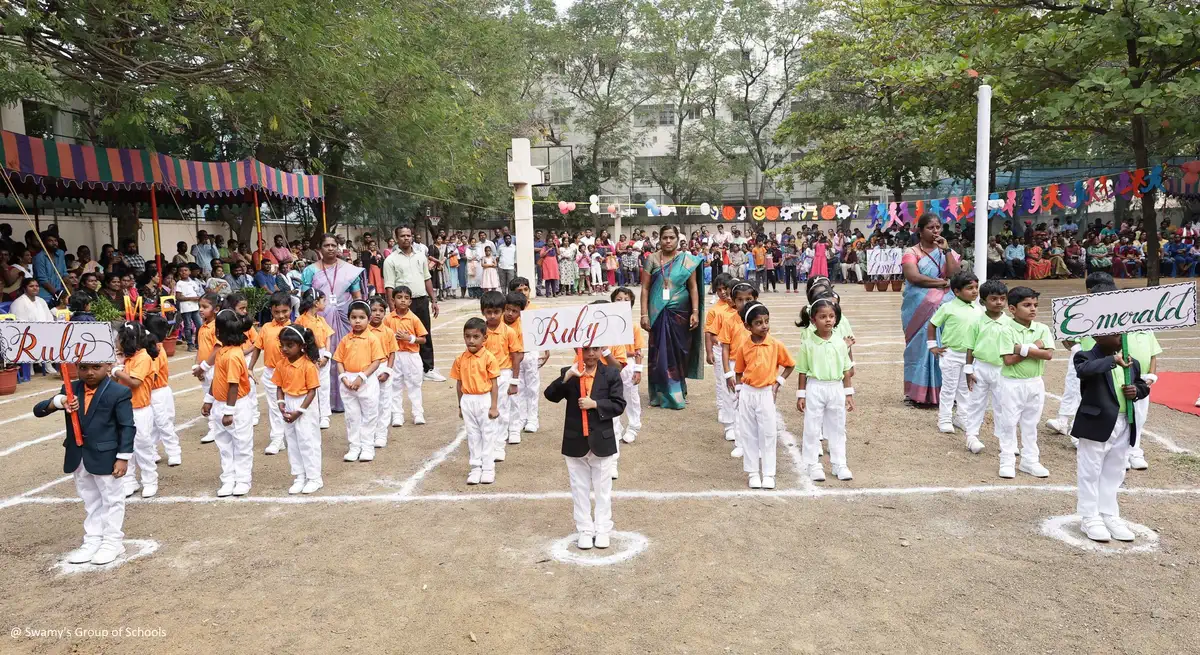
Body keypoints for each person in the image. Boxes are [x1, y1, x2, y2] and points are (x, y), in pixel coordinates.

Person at [34, 361, 135, 565]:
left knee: (112, 499)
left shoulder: (119, 392)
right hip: (79, 455)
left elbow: (127, 426)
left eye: (96, 367)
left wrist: (123, 457)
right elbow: (39, 410)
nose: (89, 372)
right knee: (90, 500)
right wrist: (60, 401)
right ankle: (93, 540)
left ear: (108, 367)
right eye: (83, 367)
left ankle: (113, 541)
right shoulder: (70, 389)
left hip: (107, 456)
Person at [545, 345, 625, 550]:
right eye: (586, 349)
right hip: (575, 439)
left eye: (595, 349)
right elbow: (550, 395)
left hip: (602, 440)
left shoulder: (611, 373)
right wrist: (566, 377)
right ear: (577, 349)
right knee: (579, 488)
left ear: (601, 351)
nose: (590, 354)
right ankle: (584, 529)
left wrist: (595, 404)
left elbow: (618, 404)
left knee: (602, 489)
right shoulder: (569, 372)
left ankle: (602, 529)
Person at [1072, 333, 1149, 543]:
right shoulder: (1084, 356)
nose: (1121, 339)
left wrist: (1137, 391)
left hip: (1125, 422)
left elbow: (1142, 385)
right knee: (1090, 470)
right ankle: (1089, 516)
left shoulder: (1132, 361)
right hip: (1097, 423)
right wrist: (1112, 361)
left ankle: (1108, 514)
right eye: (1116, 335)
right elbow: (1084, 371)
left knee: (1115, 471)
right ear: (1099, 337)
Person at [639, 225, 705, 410]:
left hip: (681, 316)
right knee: (659, 353)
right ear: (659, 240)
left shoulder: (686, 261)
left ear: (678, 240)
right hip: (658, 314)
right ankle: (660, 395)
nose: (668, 241)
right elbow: (644, 288)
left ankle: (679, 390)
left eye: (671, 238)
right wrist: (644, 314)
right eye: (664, 238)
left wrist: (695, 312)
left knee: (680, 353)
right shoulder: (651, 259)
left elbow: (693, 287)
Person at [732, 301, 795, 490]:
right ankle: (753, 473)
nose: (764, 326)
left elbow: (790, 365)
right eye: (758, 323)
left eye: (766, 321)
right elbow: (739, 371)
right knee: (749, 433)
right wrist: (738, 390)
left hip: (766, 393)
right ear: (747, 326)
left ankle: (768, 474)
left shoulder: (775, 345)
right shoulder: (744, 347)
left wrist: (778, 383)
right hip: (748, 393)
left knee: (768, 433)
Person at [901, 213, 961, 406]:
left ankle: (946, 394)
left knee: (947, 348)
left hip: (946, 304)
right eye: (930, 228)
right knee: (921, 349)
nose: (935, 231)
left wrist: (947, 251)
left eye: (938, 227)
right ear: (920, 230)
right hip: (919, 305)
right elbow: (914, 277)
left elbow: (955, 274)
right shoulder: (911, 252)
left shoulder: (945, 251)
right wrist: (941, 283)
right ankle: (918, 394)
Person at [302, 234, 365, 414]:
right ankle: (323, 403)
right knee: (321, 358)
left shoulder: (349, 270)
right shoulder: (310, 270)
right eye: (326, 245)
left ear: (338, 247)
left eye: (333, 245)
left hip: (345, 318)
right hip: (319, 320)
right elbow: (307, 299)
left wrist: (359, 316)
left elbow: (357, 296)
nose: (330, 248)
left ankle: (348, 397)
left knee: (346, 356)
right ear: (320, 248)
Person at [996, 287, 1054, 479]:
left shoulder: (1042, 328)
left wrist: (1021, 348)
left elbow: (1047, 354)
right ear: (1012, 309)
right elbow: (1008, 360)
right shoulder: (1006, 330)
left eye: (1035, 305)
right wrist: (1034, 347)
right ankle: (1007, 460)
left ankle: (1030, 460)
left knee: (1031, 423)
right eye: (1027, 305)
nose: (1033, 309)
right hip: (1012, 383)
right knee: (1009, 422)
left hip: (1034, 382)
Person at [796, 297, 855, 482]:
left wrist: (848, 393)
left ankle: (839, 464)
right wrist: (801, 395)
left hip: (835, 388)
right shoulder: (808, 344)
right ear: (813, 320)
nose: (828, 320)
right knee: (812, 427)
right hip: (816, 387)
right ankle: (813, 464)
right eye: (823, 317)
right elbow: (802, 372)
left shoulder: (840, 343)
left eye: (831, 316)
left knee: (838, 426)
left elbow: (846, 370)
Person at [202, 309, 255, 496]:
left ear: (219, 332)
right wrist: (209, 400)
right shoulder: (222, 352)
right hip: (219, 404)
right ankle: (228, 479)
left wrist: (229, 411)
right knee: (224, 445)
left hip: (235, 406)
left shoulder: (233, 355)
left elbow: (233, 385)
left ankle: (242, 480)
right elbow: (217, 378)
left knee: (241, 444)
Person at [382, 226, 442, 382]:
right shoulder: (390, 260)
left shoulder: (421, 256)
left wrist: (433, 300)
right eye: (402, 236)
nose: (406, 238)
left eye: (408, 235)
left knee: (424, 334)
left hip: (421, 300)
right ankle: (403, 370)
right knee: (402, 336)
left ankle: (428, 369)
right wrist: (392, 308)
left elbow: (427, 278)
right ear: (396, 238)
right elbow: (389, 286)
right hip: (402, 304)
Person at [927, 271, 983, 434]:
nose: (974, 291)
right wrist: (933, 346)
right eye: (969, 288)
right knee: (949, 388)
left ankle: (961, 417)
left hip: (970, 356)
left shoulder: (978, 309)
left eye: (976, 287)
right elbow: (932, 324)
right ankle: (944, 418)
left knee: (965, 388)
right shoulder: (948, 307)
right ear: (956, 291)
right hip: (951, 354)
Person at [111, 321, 159, 498]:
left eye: (119, 340)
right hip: (123, 409)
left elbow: (135, 382)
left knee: (143, 447)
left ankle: (150, 481)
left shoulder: (144, 357)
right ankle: (129, 481)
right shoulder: (127, 358)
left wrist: (117, 371)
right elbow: (114, 383)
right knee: (123, 448)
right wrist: (118, 364)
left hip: (140, 410)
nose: (116, 343)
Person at [962, 280, 1010, 455]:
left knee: (1003, 405)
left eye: (1002, 299)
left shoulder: (1010, 323)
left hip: (1002, 369)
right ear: (983, 302)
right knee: (975, 402)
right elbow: (970, 347)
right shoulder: (976, 322)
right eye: (993, 299)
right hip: (980, 368)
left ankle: (1006, 440)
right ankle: (972, 436)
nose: (998, 302)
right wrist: (968, 369)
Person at [334, 300, 386, 463]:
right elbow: (339, 360)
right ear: (349, 319)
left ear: (368, 319)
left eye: (361, 317)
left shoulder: (372, 339)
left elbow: (376, 361)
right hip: (348, 382)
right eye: (354, 317)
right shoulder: (345, 339)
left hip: (366, 381)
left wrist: (361, 377)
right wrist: (343, 378)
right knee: (352, 416)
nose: (357, 321)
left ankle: (367, 447)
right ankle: (354, 447)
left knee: (369, 414)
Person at [274, 325, 323, 495]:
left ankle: (314, 477)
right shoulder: (281, 364)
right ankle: (299, 476)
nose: (285, 349)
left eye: (289, 345)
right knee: (293, 442)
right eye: (283, 345)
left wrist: (299, 411)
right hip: (289, 403)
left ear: (301, 346)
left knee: (308, 441)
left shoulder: (308, 366)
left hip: (304, 406)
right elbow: (279, 386)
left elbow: (312, 391)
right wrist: (281, 403)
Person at [452, 317, 501, 485]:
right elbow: (459, 384)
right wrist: (460, 405)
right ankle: (475, 468)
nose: (471, 340)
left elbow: (494, 384)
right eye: (467, 336)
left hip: (484, 399)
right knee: (473, 435)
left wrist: (494, 406)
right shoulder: (460, 359)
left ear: (484, 338)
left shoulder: (489, 358)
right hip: (467, 400)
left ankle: (488, 468)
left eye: (475, 337)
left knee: (487, 434)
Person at [480, 290, 524, 463]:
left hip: (503, 373)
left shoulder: (509, 332)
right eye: (488, 312)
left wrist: (514, 381)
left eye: (496, 312)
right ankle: (487, 442)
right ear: (483, 311)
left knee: (502, 410)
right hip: (483, 374)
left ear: (502, 310)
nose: (492, 316)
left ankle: (499, 446)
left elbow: (516, 356)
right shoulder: (479, 330)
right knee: (485, 409)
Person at [257, 292, 295, 456]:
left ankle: (294, 437)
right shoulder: (266, 328)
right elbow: (258, 347)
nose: (281, 315)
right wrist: (250, 368)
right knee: (275, 406)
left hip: (292, 372)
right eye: (276, 312)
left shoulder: (296, 328)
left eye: (285, 311)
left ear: (291, 309)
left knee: (293, 404)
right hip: (271, 373)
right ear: (271, 311)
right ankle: (277, 438)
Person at [143, 314, 182, 468]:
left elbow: (151, 374)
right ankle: (152, 451)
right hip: (151, 392)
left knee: (164, 423)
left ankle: (174, 452)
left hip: (158, 391)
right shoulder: (151, 348)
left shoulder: (156, 350)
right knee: (151, 425)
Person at [704, 274, 739, 445]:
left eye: (726, 289)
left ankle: (739, 419)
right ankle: (728, 423)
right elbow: (709, 332)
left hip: (740, 353)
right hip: (722, 351)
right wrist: (709, 351)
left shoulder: (740, 307)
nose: (723, 293)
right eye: (719, 290)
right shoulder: (716, 310)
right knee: (724, 385)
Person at [387, 286, 428, 427]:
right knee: (395, 385)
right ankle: (397, 414)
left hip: (411, 355)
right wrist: (394, 337)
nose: (402, 301)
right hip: (395, 355)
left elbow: (423, 339)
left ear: (410, 301)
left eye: (406, 298)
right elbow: (383, 335)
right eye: (399, 298)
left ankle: (418, 413)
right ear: (393, 300)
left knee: (414, 384)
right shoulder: (388, 318)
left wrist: (409, 338)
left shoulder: (413, 319)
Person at [295, 290, 334, 430]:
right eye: (324, 300)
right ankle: (313, 413)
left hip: (322, 354)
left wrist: (327, 355)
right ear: (316, 303)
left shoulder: (321, 319)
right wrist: (313, 357)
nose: (326, 303)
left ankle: (324, 415)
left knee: (324, 385)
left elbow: (328, 337)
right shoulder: (300, 320)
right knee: (311, 385)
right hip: (308, 356)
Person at [610, 287, 644, 444]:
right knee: (611, 396)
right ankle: (615, 429)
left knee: (630, 396)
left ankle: (633, 427)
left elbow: (638, 351)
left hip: (628, 364)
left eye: (626, 299)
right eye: (618, 299)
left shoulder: (634, 326)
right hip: (611, 363)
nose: (622, 302)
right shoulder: (608, 323)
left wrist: (638, 370)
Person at [366, 295, 399, 448]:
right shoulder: (364, 331)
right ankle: (369, 433)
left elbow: (392, 353)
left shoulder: (388, 332)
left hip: (384, 366)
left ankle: (381, 434)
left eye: (381, 310)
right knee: (370, 401)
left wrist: (387, 371)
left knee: (385, 401)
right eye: (373, 310)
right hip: (368, 368)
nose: (377, 313)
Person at [33, 233, 68, 303]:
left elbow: (64, 274)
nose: (54, 243)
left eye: (55, 241)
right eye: (50, 241)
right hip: (44, 295)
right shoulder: (39, 257)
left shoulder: (60, 253)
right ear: (43, 243)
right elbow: (42, 280)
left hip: (59, 292)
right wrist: (58, 294)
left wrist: (68, 290)